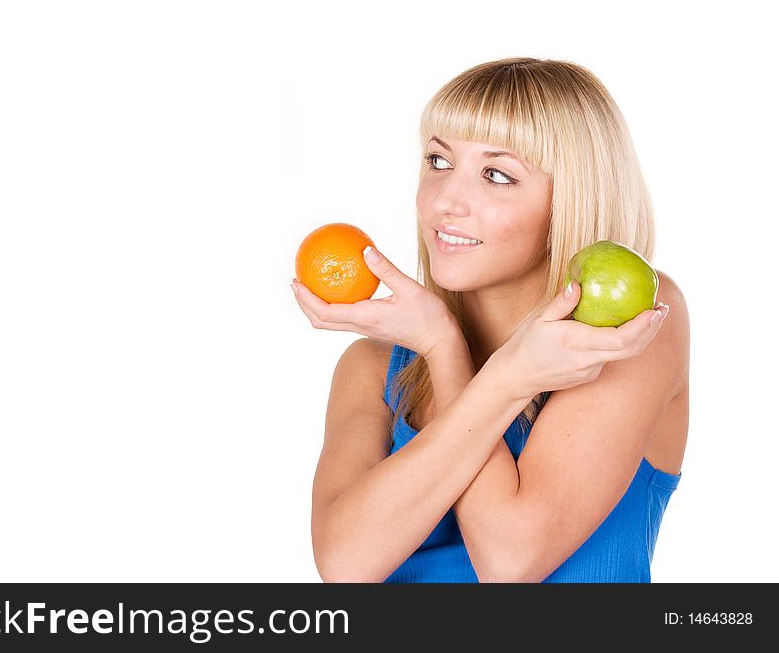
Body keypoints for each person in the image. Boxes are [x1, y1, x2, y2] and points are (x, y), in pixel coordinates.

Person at [291, 57, 689, 583]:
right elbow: (345, 565)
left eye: (497, 174)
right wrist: (442, 343)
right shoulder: (372, 368)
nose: (446, 200)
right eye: (438, 161)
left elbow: (510, 560)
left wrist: (457, 359)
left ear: (568, 200)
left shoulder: (628, 330)